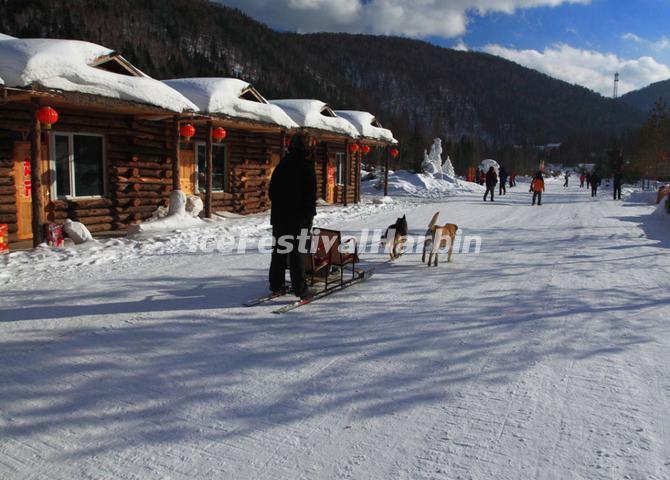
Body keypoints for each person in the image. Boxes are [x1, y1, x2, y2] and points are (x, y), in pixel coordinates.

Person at [268, 131, 317, 299]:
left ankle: (276, 285)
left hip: (280, 218)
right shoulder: (306, 167)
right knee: (297, 255)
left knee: (280, 252)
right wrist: (309, 217)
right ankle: (301, 289)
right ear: (308, 148)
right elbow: (310, 198)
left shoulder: (282, 164)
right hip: (299, 220)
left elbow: (272, 192)